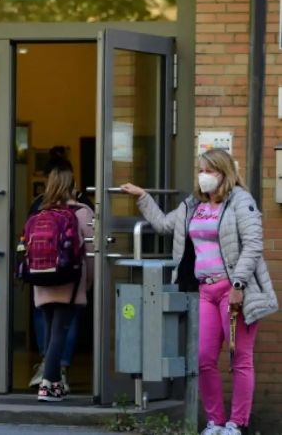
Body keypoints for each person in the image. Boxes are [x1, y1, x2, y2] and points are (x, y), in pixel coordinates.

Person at [121, 148, 278, 435]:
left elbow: (253, 245)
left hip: (233, 292)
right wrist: (143, 197)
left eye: (209, 171)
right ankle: (216, 422)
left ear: (224, 173)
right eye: (201, 170)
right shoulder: (193, 204)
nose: (203, 176)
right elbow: (164, 225)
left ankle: (237, 423)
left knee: (239, 358)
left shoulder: (241, 202)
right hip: (205, 291)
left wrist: (239, 285)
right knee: (204, 358)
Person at [26, 157, 93, 391]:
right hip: (69, 280)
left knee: (49, 332)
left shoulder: (38, 210)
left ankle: (50, 380)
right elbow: (92, 254)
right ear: (72, 183)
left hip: (41, 279)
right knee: (60, 332)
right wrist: (89, 283)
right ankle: (49, 383)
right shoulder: (82, 212)